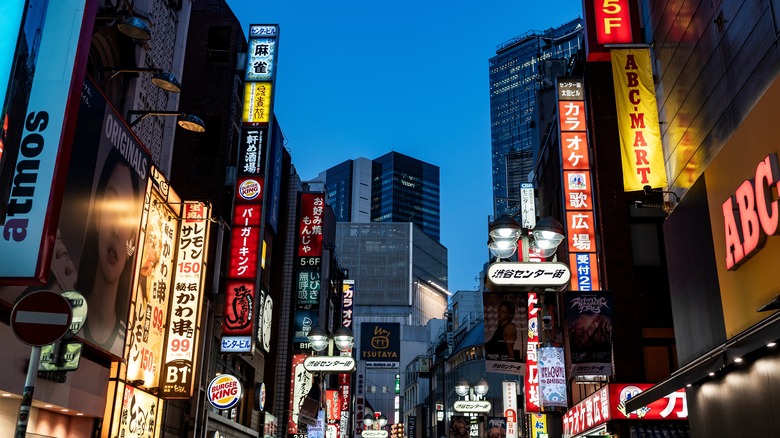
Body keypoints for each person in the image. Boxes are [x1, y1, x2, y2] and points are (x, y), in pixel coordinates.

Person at [77, 146, 141, 356]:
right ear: (97, 216)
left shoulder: (133, 348)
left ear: (132, 237)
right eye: (111, 208)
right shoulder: (65, 315)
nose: (116, 231)